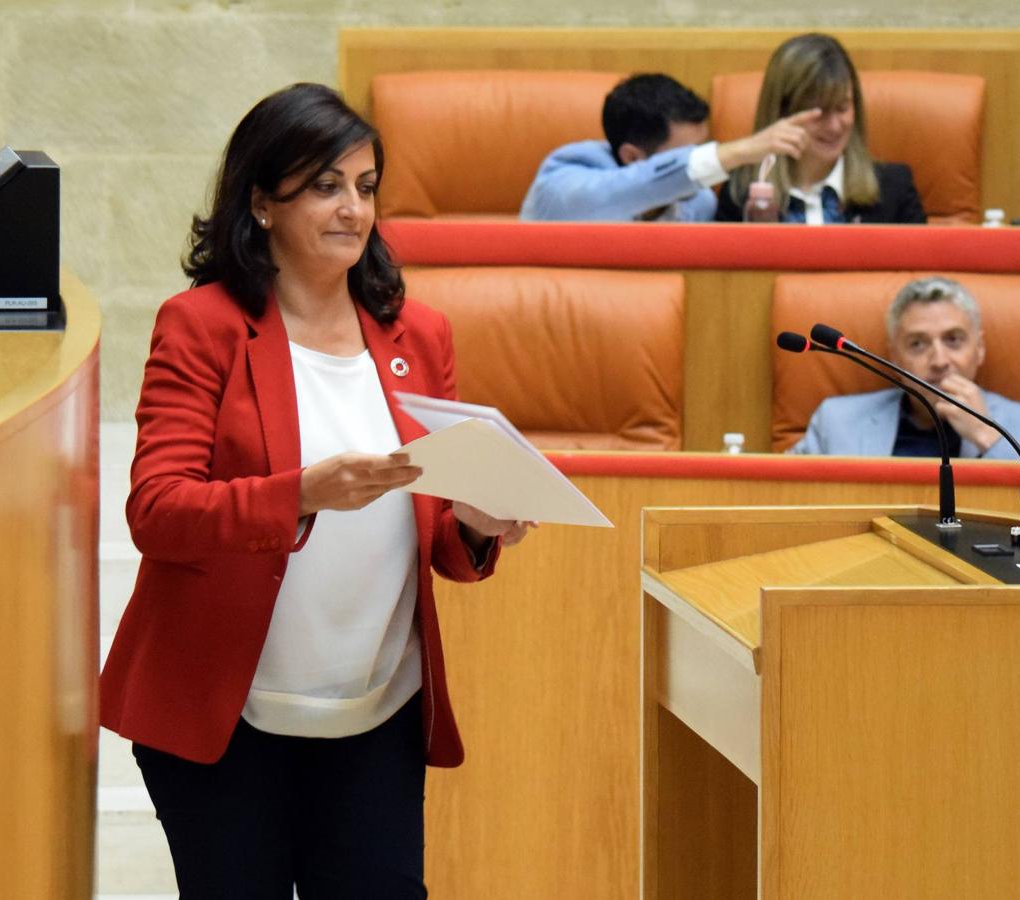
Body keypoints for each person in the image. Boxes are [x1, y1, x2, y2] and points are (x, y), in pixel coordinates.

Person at [98, 82, 532, 898]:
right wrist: (298, 493)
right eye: (326, 186)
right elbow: (156, 512)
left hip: (377, 711)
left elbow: (436, 534)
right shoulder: (203, 325)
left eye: (366, 187)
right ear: (262, 202)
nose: (354, 210)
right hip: (226, 718)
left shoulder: (418, 334)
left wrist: (474, 524)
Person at [789, 276, 1020, 459]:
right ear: (895, 357)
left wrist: (986, 436)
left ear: (979, 349)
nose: (939, 361)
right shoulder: (836, 421)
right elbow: (787, 502)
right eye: (917, 344)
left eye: (953, 340)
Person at [520, 73, 819, 222]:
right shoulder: (562, 181)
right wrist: (739, 151)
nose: (700, 164)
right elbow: (623, 190)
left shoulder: (699, 202)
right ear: (632, 157)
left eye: (702, 148)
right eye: (686, 154)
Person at [717, 33, 925, 225]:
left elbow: (925, 265)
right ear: (783, 113)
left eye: (843, 108)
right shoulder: (740, 193)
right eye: (819, 113)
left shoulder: (894, 188)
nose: (834, 126)